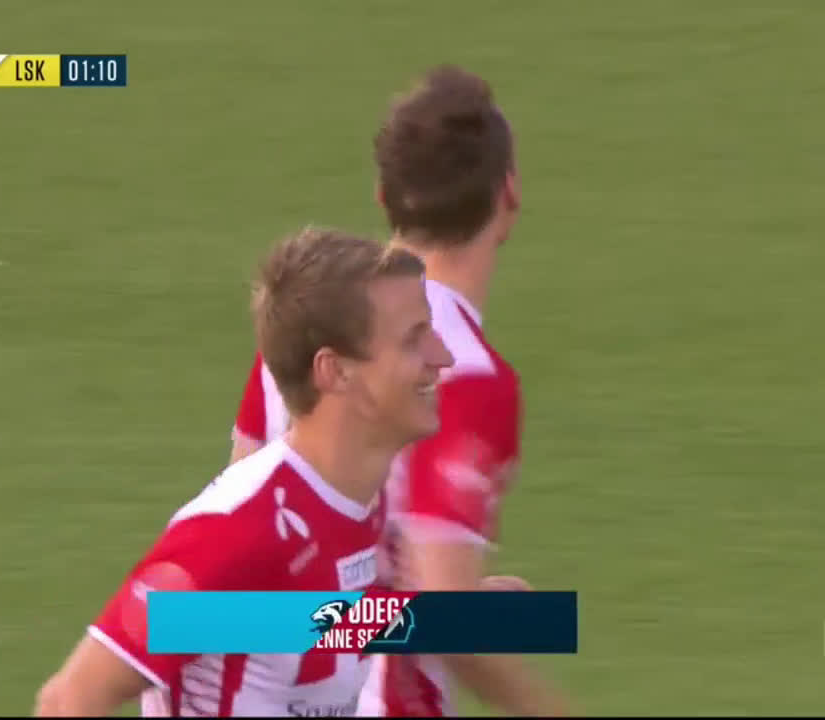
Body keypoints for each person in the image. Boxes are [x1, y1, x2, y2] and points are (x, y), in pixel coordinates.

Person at [226, 66, 570, 717]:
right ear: (509, 193)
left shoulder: (301, 333)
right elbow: (443, 618)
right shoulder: (468, 378)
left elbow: (250, 564)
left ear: (384, 197)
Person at [34, 227, 453, 717]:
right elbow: (70, 698)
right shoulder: (236, 530)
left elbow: (296, 627)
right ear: (335, 371)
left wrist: (469, 618)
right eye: (413, 340)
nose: (443, 357)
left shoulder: (355, 499)